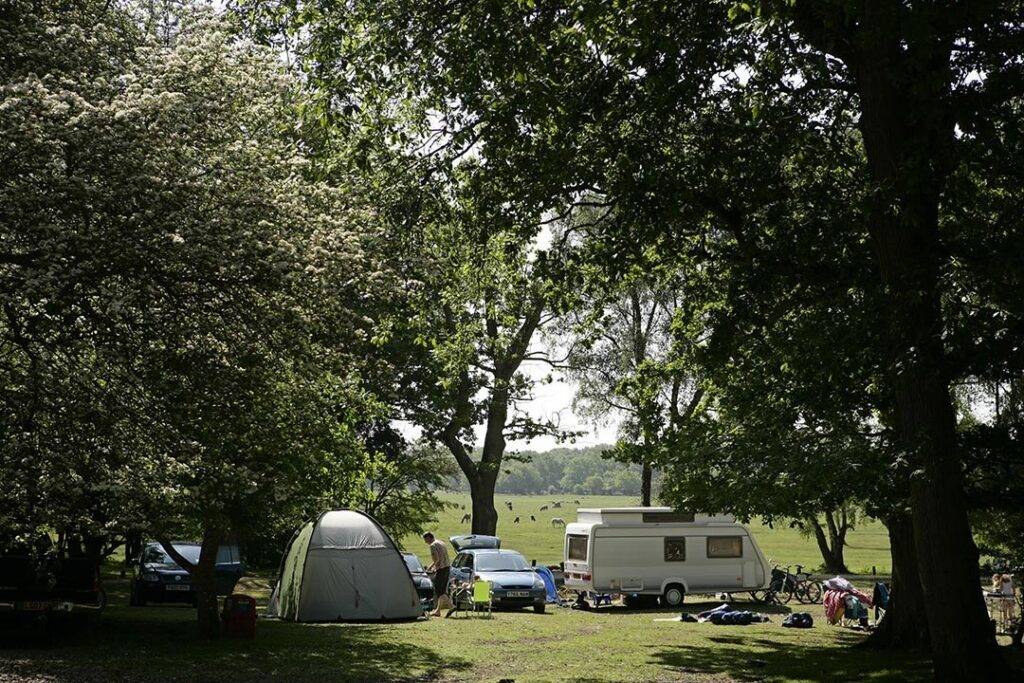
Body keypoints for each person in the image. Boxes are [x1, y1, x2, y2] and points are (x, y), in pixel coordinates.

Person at [423, 532, 451, 617]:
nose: (425, 542)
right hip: (447, 568)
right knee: (441, 590)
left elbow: (437, 559)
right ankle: (437, 611)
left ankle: (451, 606)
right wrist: (434, 567)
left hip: (441, 569)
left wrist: (430, 567)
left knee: (439, 590)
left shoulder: (433, 545)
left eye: (425, 539)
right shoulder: (441, 542)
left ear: (428, 538)